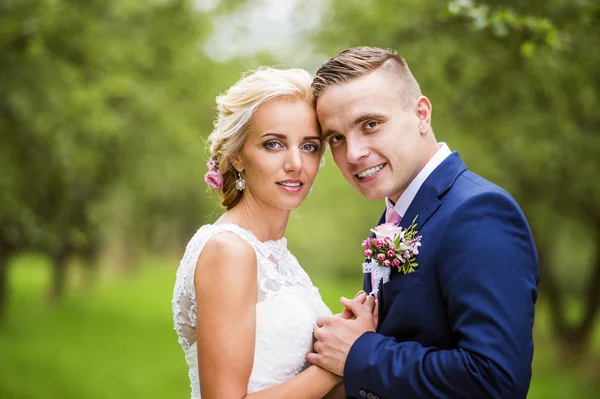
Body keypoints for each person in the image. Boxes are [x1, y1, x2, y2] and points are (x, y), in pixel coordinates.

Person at [307, 46, 540, 399]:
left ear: (421, 114)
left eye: (370, 124)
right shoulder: (396, 213)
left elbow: (496, 381)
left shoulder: (478, 213)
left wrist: (359, 353)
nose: (352, 153)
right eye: (336, 138)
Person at [172, 67, 374, 398]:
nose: (295, 163)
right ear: (237, 157)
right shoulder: (229, 251)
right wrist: (337, 364)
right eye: (273, 144)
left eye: (309, 147)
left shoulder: (274, 250)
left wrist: (351, 337)